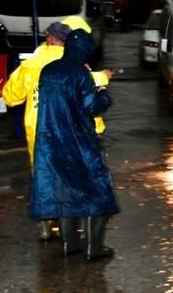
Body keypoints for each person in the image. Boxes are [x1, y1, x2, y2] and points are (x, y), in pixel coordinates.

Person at [2, 18, 112, 240]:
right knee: (76, 176)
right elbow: (87, 100)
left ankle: (45, 225)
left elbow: (10, 97)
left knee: (43, 176)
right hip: (74, 130)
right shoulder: (78, 66)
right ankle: (74, 230)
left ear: (49, 39)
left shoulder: (30, 65)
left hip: (39, 129)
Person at [29, 29, 119, 260]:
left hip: (51, 142)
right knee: (98, 192)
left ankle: (70, 245)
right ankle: (94, 248)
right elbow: (92, 107)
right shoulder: (80, 75)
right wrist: (102, 93)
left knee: (64, 192)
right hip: (79, 142)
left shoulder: (48, 70)